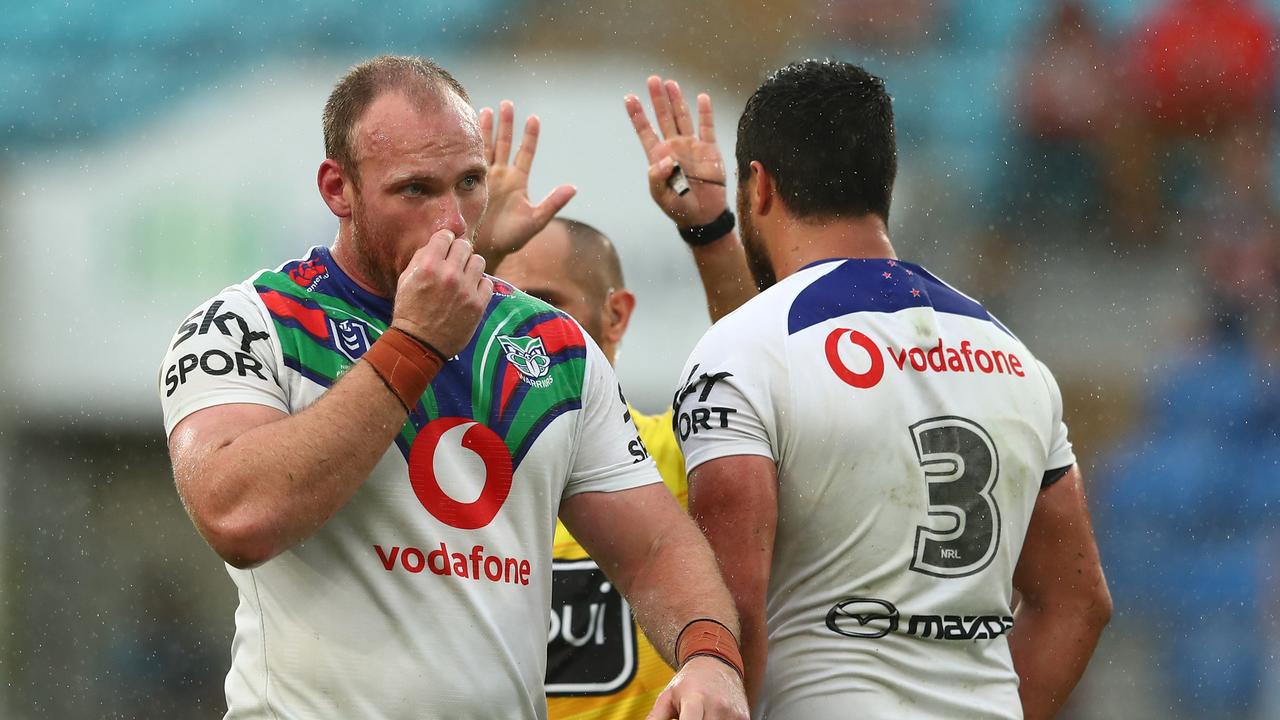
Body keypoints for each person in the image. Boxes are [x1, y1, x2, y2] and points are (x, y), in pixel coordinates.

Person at [158, 55, 748, 720]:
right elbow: (237, 515)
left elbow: (655, 547)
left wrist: (709, 656)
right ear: (338, 188)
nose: (450, 220)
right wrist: (414, 343)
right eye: (415, 189)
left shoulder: (554, 347)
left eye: (468, 183)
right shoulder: (252, 322)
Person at [673, 60, 1112, 719]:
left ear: (758, 187)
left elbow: (733, 611)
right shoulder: (1015, 355)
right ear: (886, 184)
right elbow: (1077, 603)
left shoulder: (745, 349)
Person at [488, 77, 755, 720]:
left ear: (616, 317)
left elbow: (759, 383)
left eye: (547, 304)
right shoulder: (443, 479)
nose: (523, 329)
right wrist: (472, 245)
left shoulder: (668, 456)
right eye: (500, 304)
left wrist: (713, 232)